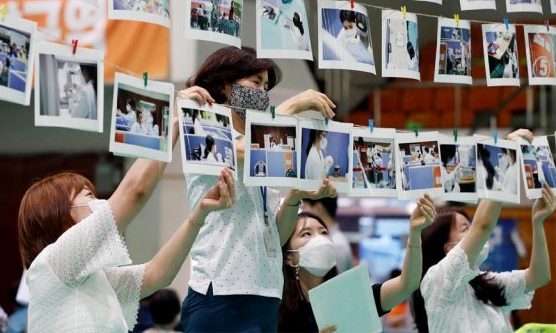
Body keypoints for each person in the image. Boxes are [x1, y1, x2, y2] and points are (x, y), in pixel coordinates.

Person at [168, 46, 338, 331]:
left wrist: (295, 198)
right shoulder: (203, 126)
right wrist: (294, 106)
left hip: (266, 293)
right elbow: (242, 150)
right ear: (225, 87)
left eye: (266, 86)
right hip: (219, 291)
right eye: (255, 82)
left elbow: (276, 233)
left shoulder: (266, 151)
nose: (262, 91)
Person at [18, 159, 236, 331]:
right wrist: (170, 123)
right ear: (59, 212)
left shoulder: (97, 279)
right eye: (89, 196)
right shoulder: (52, 263)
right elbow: (135, 191)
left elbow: (157, 274)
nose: (99, 204)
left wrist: (199, 213)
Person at [411, 131, 554, 333]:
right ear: (448, 248)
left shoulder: (484, 284)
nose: (473, 235)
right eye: (465, 230)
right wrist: (505, 156)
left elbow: (538, 276)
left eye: (470, 228)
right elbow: (483, 225)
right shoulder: (437, 281)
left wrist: (537, 222)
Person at [278, 195, 437, 332]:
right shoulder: (276, 309)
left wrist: (414, 234)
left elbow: (406, 284)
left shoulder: (351, 298)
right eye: (306, 233)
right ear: (288, 257)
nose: (320, 239)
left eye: (324, 232)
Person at [301, 197, 354, 273]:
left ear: (318, 208)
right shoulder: (332, 241)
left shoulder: (335, 244)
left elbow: (334, 283)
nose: (302, 213)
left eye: (304, 207)